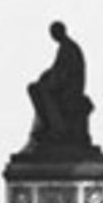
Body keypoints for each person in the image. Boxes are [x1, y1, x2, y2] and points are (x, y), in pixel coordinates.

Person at [25, 20, 91, 150]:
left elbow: (65, 74)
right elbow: (58, 69)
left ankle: (57, 130)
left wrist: (49, 80)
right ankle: (49, 127)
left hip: (70, 90)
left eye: (54, 33)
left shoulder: (69, 48)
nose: (53, 36)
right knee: (37, 89)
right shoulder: (66, 47)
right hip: (65, 86)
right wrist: (47, 75)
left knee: (41, 91)